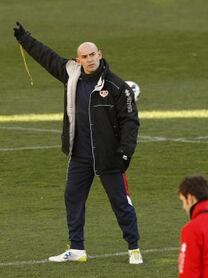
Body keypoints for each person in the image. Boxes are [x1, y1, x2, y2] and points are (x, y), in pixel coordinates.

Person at [13, 22, 143, 264]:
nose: (89, 59)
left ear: (100, 55)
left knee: (120, 203)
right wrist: (24, 39)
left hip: (108, 156)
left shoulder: (117, 86)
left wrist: (125, 153)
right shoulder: (71, 74)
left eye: (92, 54)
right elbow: (47, 56)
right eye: (84, 56)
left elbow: (130, 122)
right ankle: (77, 248)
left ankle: (133, 248)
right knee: (72, 197)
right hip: (80, 154)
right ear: (78, 59)